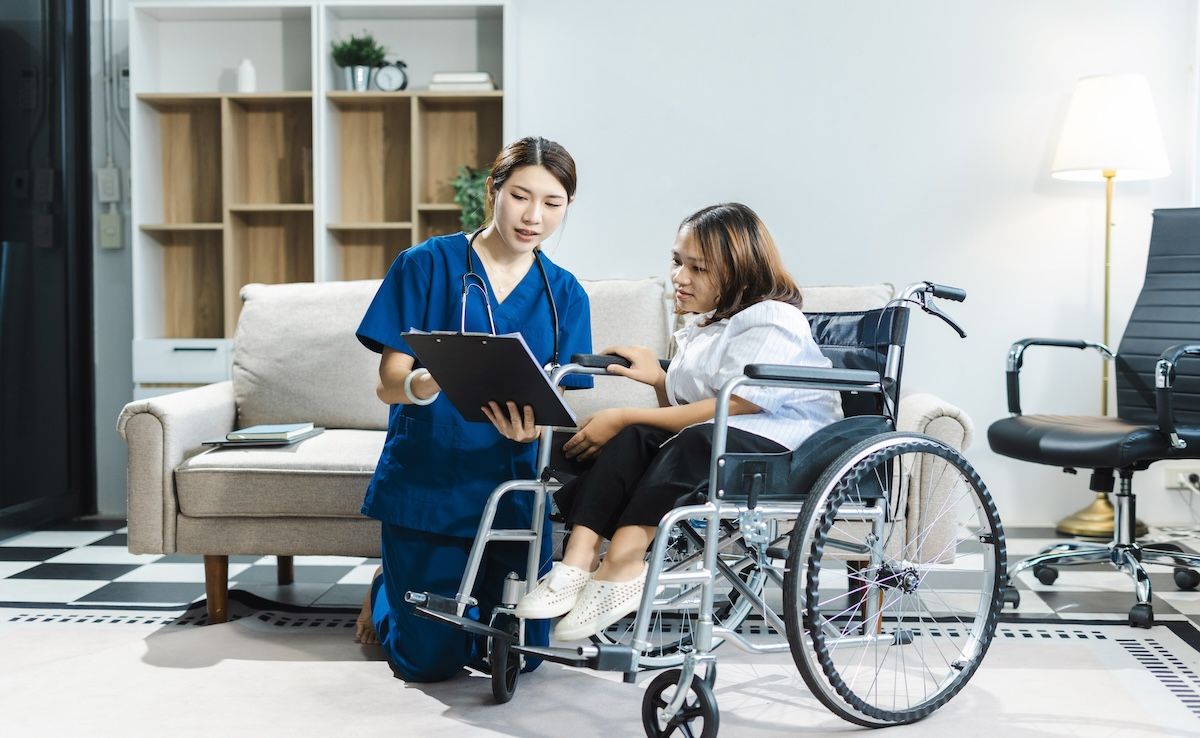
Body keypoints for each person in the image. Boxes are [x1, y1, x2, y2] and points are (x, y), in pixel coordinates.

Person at [514, 202, 841, 641]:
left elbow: (739, 402)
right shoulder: (704, 329)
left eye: (698, 268)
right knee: (637, 436)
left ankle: (623, 562)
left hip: (789, 447)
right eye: (677, 261)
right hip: (718, 438)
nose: (679, 277)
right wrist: (657, 379)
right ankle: (576, 561)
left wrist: (624, 412)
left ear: (740, 273)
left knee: (680, 436)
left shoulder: (771, 317)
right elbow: (687, 407)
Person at [354, 136, 593, 681]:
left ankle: (444, 599)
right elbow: (390, 384)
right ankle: (386, 591)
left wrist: (536, 434)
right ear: (494, 191)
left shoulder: (565, 295)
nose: (533, 216)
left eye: (552, 204)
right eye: (520, 196)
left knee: (526, 658)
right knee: (431, 662)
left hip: (511, 489)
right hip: (430, 480)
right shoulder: (425, 264)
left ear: (566, 208)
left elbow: (560, 407)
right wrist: (432, 377)